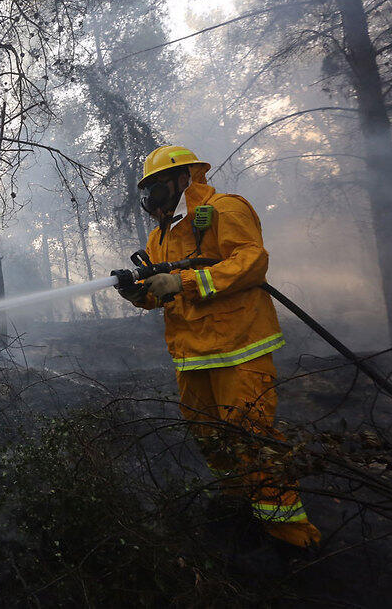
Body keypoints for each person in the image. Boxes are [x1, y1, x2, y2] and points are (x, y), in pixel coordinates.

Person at [117, 145, 320, 551]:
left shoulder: (224, 209)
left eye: (158, 183)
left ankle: (289, 536)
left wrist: (185, 281)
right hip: (191, 355)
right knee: (208, 434)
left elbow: (251, 261)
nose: (152, 194)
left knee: (251, 437)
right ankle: (239, 504)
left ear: (184, 178)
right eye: (148, 186)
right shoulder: (161, 236)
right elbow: (163, 295)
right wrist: (138, 294)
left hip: (238, 347)